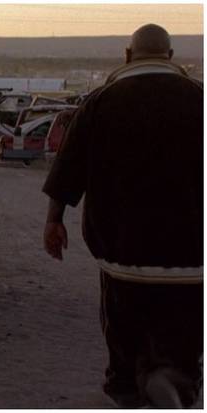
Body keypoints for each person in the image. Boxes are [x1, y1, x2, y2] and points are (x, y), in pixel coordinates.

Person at [42, 24, 203, 408]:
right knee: (181, 343)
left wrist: (55, 220)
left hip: (122, 260)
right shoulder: (201, 101)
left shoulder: (101, 102)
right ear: (171, 55)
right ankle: (171, 379)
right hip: (192, 260)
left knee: (124, 345)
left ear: (128, 55)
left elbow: (69, 168)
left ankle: (130, 389)